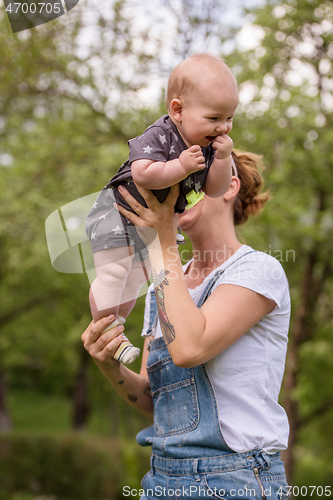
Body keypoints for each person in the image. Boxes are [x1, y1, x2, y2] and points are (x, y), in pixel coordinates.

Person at [81, 150, 290, 499]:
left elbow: (189, 348)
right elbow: (156, 398)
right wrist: (110, 366)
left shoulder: (258, 271)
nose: (175, 191)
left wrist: (162, 240)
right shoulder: (159, 289)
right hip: (161, 477)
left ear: (228, 186)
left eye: (193, 180)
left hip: (234, 478)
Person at [85, 53, 239, 364]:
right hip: (117, 216)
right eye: (214, 118)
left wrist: (222, 160)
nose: (223, 127)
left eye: (230, 118)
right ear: (178, 110)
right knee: (114, 273)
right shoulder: (161, 134)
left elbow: (214, 189)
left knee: (138, 277)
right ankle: (106, 329)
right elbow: (143, 172)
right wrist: (181, 166)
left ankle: (117, 329)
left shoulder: (210, 148)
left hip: (153, 227)